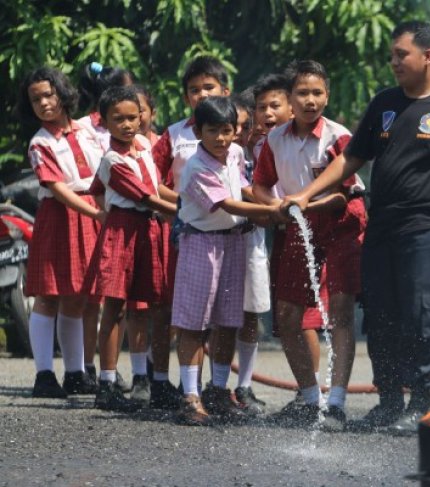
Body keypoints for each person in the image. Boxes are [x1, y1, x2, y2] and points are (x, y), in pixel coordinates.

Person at [283, 22, 430, 434]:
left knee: (422, 314)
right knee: (380, 314)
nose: (393, 61)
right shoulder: (385, 103)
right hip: (382, 226)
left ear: (427, 56)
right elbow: (351, 159)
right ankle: (389, 401)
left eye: (401, 54)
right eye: (393, 55)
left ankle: (422, 402)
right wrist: (305, 194)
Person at [253, 60, 367, 431]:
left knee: (340, 312)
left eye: (318, 93)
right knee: (286, 315)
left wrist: (300, 203)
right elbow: (262, 184)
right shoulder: (274, 139)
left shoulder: (339, 137)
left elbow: (341, 196)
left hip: (339, 223)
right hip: (297, 225)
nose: (311, 100)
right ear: (289, 99)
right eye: (302, 93)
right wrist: (273, 207)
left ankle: (336, 404)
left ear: (327, 96)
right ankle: (309, 398)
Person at [172, 96, 277, 426]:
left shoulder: (234, 152)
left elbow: (244, 188)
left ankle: (218, 391)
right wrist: (273, 212)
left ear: (236, 131)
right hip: (201, 244)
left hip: (233, 242)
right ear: (198, 130)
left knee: (228, 319)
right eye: (212, 130)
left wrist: (275, 201)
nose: (220, 137)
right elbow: (229, 205)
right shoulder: (196, 166)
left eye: (227, 130)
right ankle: (190, 396)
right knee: (193, 323)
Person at [84, 86, 177, 412]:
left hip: (148, 229)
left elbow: (155, 187)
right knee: (115, 307)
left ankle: (157, 381)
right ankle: (107, 383)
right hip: (123, 230)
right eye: (118, 119)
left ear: (143, 116)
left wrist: (186, 201)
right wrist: (186, 211)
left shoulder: (143, 149)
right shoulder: (111, 159)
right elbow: (146, 196)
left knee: (155, 305)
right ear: (104, 122)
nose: (127, 124)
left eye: (132, 117)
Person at [14, 66, 104, 398]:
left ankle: (76, 372)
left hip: (91, 213)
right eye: (35, 99)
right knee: (49, 296)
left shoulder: (89, 129)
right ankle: (43, 375)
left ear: (62, 93)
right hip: (61, 215)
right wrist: (96, 212)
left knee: (77, 298)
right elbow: (57, 187)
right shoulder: (40, 143)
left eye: (48, 94)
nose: (43, 103)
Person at [151, 55, 232, 405]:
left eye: (208, 87)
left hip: (228, 234)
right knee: (179, 311)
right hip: (185, 230)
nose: (201, 94)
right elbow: (152, 179)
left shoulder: (234, 132)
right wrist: (184, 201)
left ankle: (219, 389)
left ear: (225, 91)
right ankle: (165, 383)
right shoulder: (174, 134)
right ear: (186, 97)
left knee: (226, 316)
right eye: (194, 90)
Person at [77, 62, 135, 389]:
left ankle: (110, 367)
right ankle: (87, 366)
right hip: (95, 210)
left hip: (122, 215)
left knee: (119, 299)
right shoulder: (82, 128)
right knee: (92, 298)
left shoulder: (132, 132)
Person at [229, 90, 269, 415]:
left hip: (254, 239)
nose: (242, 132)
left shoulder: (262, 152)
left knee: (251, 312)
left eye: (247, 125)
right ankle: (213, 385)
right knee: (219, 315)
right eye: (236, 126)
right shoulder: (219, 155)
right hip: (222, 239)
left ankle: (244, 385)